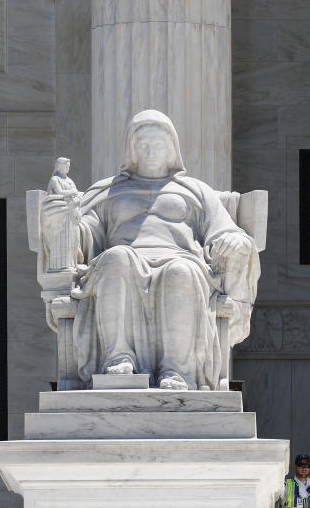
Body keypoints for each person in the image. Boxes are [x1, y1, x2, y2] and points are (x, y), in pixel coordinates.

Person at [44, 109, 260, 390]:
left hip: (181, 259)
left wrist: (236, 240)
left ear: (171, 148)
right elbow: (85, 237)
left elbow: (224, 230)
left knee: (180, 271)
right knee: (116, 257)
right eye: (143, 144)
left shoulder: (195, 191)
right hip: (122, 259)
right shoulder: (108, 192)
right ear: (132, 149)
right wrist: (60, 219)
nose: (150, 151)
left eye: (158, 144)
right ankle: (118, 357)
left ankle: (176, 370)